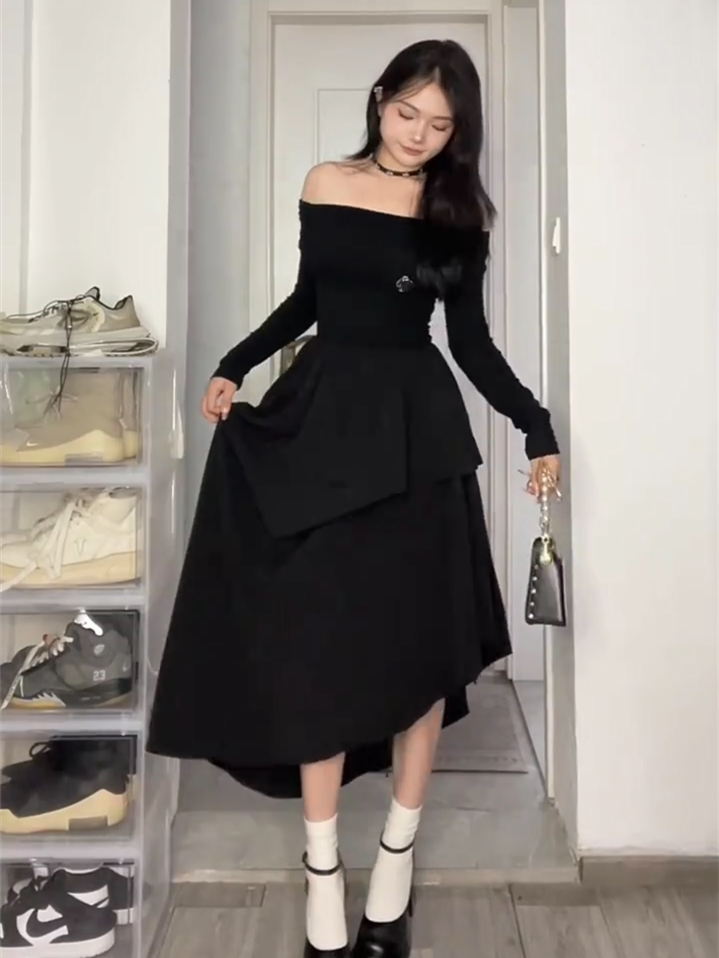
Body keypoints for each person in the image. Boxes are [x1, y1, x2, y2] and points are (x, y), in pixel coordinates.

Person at [148, 38, 560, 958]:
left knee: (420, 652)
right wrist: (234, 363)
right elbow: (309, 299)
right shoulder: (325, 182)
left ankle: (397, 862)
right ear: (379, 101)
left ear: (457, 134)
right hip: (322, 421)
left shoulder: (457, 212)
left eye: (438, 125)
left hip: (417, 438)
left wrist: (535, 425)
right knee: (320, 655)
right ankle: (323, 870)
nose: (417, 135)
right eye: (406, 112)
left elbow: (470, 344)